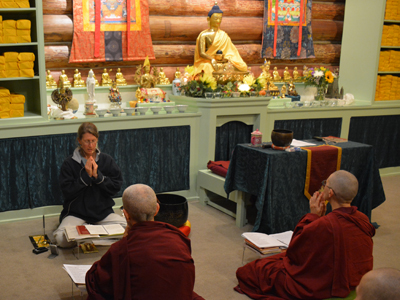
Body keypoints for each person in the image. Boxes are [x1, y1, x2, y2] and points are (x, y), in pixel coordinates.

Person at [236, 170, 376, 300]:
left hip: (326, 284)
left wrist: (313, 216)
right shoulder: (362, 218)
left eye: (325, 184)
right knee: (275, 259)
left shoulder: (325, 224)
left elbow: (295, 251)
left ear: (331, 193)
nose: (323, 187)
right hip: (356, 278)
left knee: (252, 271)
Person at [85, 184, 204, 300]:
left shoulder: (120, 250)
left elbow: (96, 281)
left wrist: (124, 240)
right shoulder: (179, 239)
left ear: (126, 215)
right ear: (157, 209)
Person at [53, 122, 126, 248]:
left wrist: (98, 176)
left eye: (93, 141)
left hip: (102, 213)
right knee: (61, 239)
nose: (90, 145)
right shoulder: (69, 163)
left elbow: (116, 187)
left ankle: (89, 238)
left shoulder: (106, 160)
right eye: (87, 141)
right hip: (77, 214)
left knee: (130, 230)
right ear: (79, 141)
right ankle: (95, 234)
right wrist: (86, 177)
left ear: (97, 139)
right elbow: (67, 191)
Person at [193, 3, 247, 76]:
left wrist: (225, 59)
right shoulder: (203, 35)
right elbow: (202, 53)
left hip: (221, 62)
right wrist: (212, 59)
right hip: (207, 62)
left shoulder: (223, 35)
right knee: (207, 67)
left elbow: (230, 51)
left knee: (240, 67)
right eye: (215, 18)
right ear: (209, 19)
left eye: (220, 18)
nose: (218, 20)